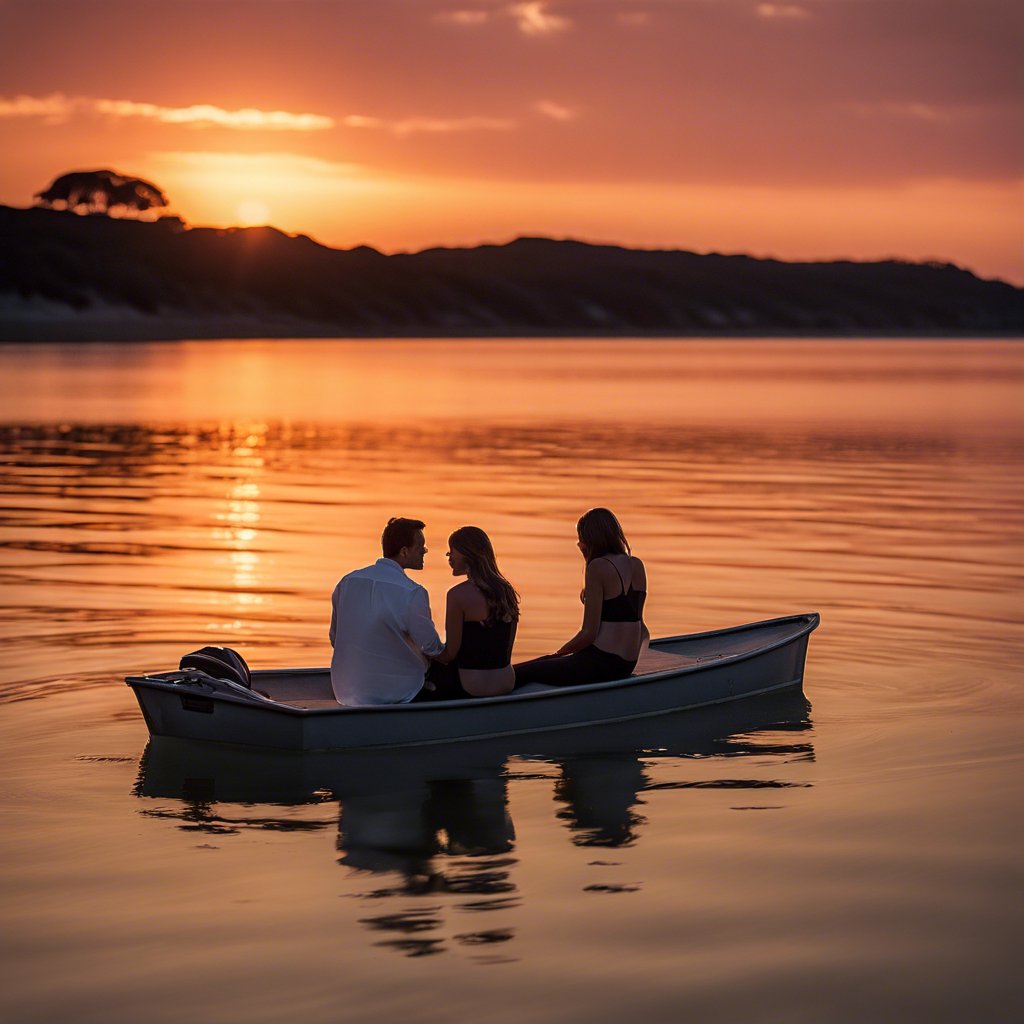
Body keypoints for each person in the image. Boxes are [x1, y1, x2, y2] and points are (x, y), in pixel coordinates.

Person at [513, 507, 648, 687]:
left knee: (523, 671)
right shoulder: (636, 564)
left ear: (588, 539)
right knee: (543, 663)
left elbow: (588, 633)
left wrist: (559, 653)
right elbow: (641, 627)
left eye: (581, 538)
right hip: (627, 664)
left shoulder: (598, 567)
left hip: (602, 662)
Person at [329, 517, 443, 705]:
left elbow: (335, 638)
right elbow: (432, 647)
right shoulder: (412, 592)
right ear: (404, 552)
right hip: (400, 692)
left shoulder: (347, 582)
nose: (425, 551)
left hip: (344, 690)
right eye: (421, 546)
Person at [420, 526, 520, 700]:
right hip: (506, 683)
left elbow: (450, 654)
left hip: (471, 687)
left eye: (452, 551)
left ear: (468, 553)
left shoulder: (457, 595)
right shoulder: (506, 591)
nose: (448, 556)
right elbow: (506, 649)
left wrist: (423, 651)